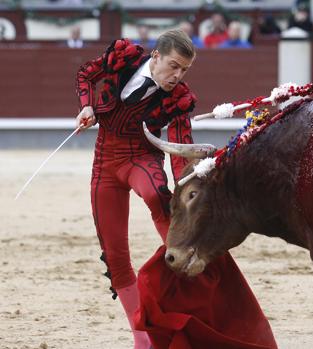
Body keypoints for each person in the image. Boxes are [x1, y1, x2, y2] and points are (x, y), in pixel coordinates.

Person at [75, 29, 275, 349]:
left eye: (184, 69)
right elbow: (86, 73)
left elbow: (180, 149)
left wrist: (189, 188)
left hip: (141, 158)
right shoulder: (123, 59)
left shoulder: (179, 97)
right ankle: (142, 339)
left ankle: (208, 281)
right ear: (155, 57)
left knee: (160, 201)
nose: (177, 75)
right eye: (173, 66)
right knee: (114, 256)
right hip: (104, 164)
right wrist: (86, 107)